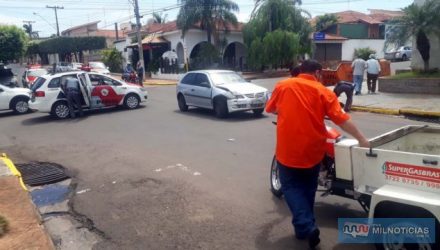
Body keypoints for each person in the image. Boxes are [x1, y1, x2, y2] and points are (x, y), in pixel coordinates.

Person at [265, 60, 370, 249]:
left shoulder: (284, 85)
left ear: (300, 71)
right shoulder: (323, 91)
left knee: (290, 188)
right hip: (313, 154)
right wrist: (362, 139)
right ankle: (302, 229)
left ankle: (308, 225)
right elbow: (342, 120)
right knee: (308, 190)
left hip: (288, 152)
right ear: (318, 73)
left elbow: (271, 109)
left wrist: (286, 110)